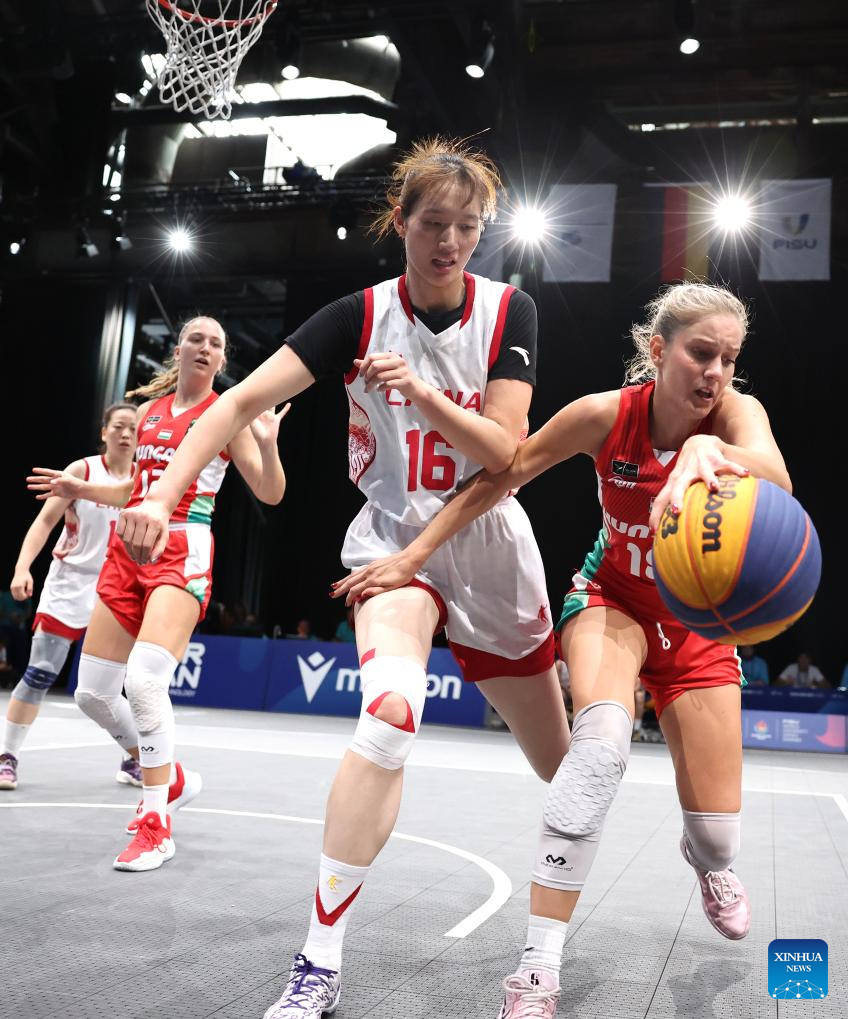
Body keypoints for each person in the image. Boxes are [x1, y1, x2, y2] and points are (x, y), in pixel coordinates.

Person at [114, 137, 570, 1018]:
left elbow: (504, 453)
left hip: (487, 543)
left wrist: (426, 395)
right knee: (390, 716)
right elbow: (238, 402)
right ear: (400, 221)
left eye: (466, 227)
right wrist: (165, 493)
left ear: (483, 232)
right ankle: (318, 962)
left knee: (566, 771)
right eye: (432, 223)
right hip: (393, 541)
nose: (448, 242)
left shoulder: (510, 310)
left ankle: (549, 946)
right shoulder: (356, 316)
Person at [334, 281, 793, 1016]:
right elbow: (502, 475)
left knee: (718, 839)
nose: (714, 372)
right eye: (700, 353)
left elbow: (779, 480)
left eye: (727, 359)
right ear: (658, 349)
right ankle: (536, 969)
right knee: (596, 756)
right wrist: (413, 555)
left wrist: (709, 446)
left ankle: (706, 859)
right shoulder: (604, 415)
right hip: (611, 602)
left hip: (699, 628)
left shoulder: (737, 415)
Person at [27, 316, 289, 871]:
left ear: (222, 360)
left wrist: (268, 445)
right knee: (92, 694)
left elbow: (270, 493)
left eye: (216, 343)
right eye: (196, 338)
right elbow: (134, 488)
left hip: (183, 543)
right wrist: (81, 487)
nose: (205, 347)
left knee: (144, 683)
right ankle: (172, 778)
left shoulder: (227, 413)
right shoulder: (148, 412)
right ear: (178, 350)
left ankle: (155, 825)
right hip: (126, 548)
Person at [0, 403, 137, 792]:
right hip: (70, 583)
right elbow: (45, 521)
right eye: (119, 426)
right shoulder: (83, 471)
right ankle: (7, 757)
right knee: (41, 672)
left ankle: (133, 758)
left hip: (117, 588)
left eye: (133, 428)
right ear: (104, 432)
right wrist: (22, 568)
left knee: (121, 684)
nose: (126, 434)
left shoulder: (145, 479)